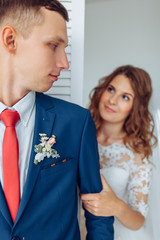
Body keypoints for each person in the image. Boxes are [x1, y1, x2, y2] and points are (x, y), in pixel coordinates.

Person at [0, 1, 114, 239]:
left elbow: (99, 212)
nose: (65, 62)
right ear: (11, 40)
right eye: (53, 45)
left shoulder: (76, 122)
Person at [81, 65, 157, 240]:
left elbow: (138, 220)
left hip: (113, 233)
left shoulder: (136, 152)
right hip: (71, 227)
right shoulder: (80, 131)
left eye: (125, 97)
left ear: (135, 107)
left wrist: (116, 206)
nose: (112, 100)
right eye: (111, 89)